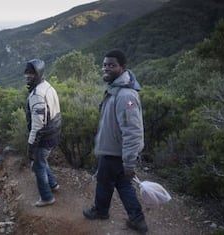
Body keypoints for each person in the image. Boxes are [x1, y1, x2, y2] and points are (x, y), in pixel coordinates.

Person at [83, 49, 148, 233]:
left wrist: (129, 161)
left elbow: (132, 131)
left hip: (115, 152)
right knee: (122, 184)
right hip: (115, 150)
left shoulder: (126, 96)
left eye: (112, 65)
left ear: (122, 67)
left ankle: (101, 211)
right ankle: (137, 219)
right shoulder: (116, 90)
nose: (106, 68)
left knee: (105, 182)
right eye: (104, 65)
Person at [24, 59, 62, 207]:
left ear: (38, 74)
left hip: (44, 136)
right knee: (42, 160)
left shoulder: (37, 94)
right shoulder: (48, 86)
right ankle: (53, 184)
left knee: (37, 165)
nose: (27, 76)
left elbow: (38, 125)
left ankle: (47, 197)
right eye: (26, 73)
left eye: (31, 73)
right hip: (54, 132)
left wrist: (30, 145)